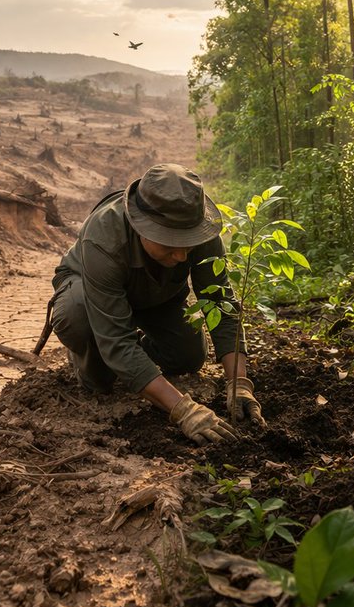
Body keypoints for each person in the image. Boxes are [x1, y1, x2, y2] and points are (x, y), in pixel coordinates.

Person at [49, 164, 266, 444]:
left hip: (157, 294)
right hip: (89, 291)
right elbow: (116, 341)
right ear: (140, 226)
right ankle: (90, 355)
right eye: (169, 243)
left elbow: (219, 300)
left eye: (187, 243)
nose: (180, 255)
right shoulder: (103, 238)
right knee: (94, 362)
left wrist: (239, 383)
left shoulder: (199, 229)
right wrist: (183, 410)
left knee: (188, 356)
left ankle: (135, 359)